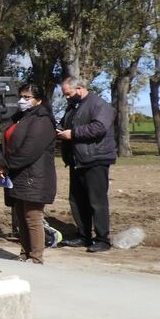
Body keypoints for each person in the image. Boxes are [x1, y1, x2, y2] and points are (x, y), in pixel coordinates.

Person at [0, 83, 57, 264]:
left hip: (34, 176)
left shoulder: (42, 121)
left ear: (39, 100)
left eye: (27, 98)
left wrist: (7, 164)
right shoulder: (17, 118)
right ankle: (24, 253)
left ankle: (36, 257)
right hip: (16, 174)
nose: (22, 101)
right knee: (20, 216)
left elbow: (29, 150)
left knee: (33, 217)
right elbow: (2, 145)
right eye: (21, 97)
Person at [57, 76, 117, 253]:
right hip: (77, 160)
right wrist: (59, 129)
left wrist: (73, 134)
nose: (66, 98)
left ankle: (102, 239)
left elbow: (99, 127)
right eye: (64, 95)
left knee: (97, 202)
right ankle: (83, 236)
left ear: (80, 88)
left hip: (96, 160)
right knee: (77, 201)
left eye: (68, 94)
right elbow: (64, 124)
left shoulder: (99, 105)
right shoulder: (73, 107)